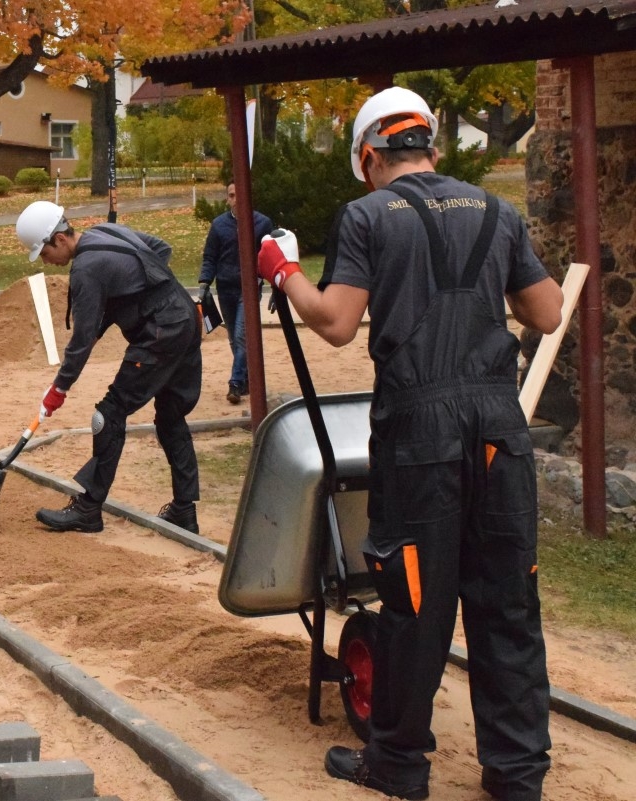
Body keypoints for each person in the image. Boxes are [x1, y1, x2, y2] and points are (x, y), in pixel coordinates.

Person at [256, 87, 563, 801]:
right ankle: (517, 773)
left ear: (368, 156)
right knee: (508, 598)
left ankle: (397, 763)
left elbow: (335, 322)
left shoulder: (368, 216)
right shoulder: (497, 210)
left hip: (420, 429)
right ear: (428, 143)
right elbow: (545, 312)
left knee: (416, 599)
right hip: (498, 427)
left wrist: (285, 271)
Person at [15, 200, 203, 535]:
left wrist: (59, 388)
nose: (46, 262)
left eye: (43, 254)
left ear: (59, 240)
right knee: (171, 415)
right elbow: (161, 249)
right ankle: (184, 511)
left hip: (160, 332)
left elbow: (83, 340)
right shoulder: (106, 230)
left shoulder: (86, 269)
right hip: (185, 317)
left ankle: (88, 509)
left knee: (108, 415)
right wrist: (135, 294)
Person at [199, 183, 275, 404]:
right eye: (232, 195)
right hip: (225, 288)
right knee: (234, 338)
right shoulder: (219, 225)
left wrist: (276, 288)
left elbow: (271, 258)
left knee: (242, 336)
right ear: (227, 199)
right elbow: (210, 257)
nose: (236, 199)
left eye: (239, 194)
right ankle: (248, 380)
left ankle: (235, 382)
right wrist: (204, 283)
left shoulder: (262, 223)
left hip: (250, 289)